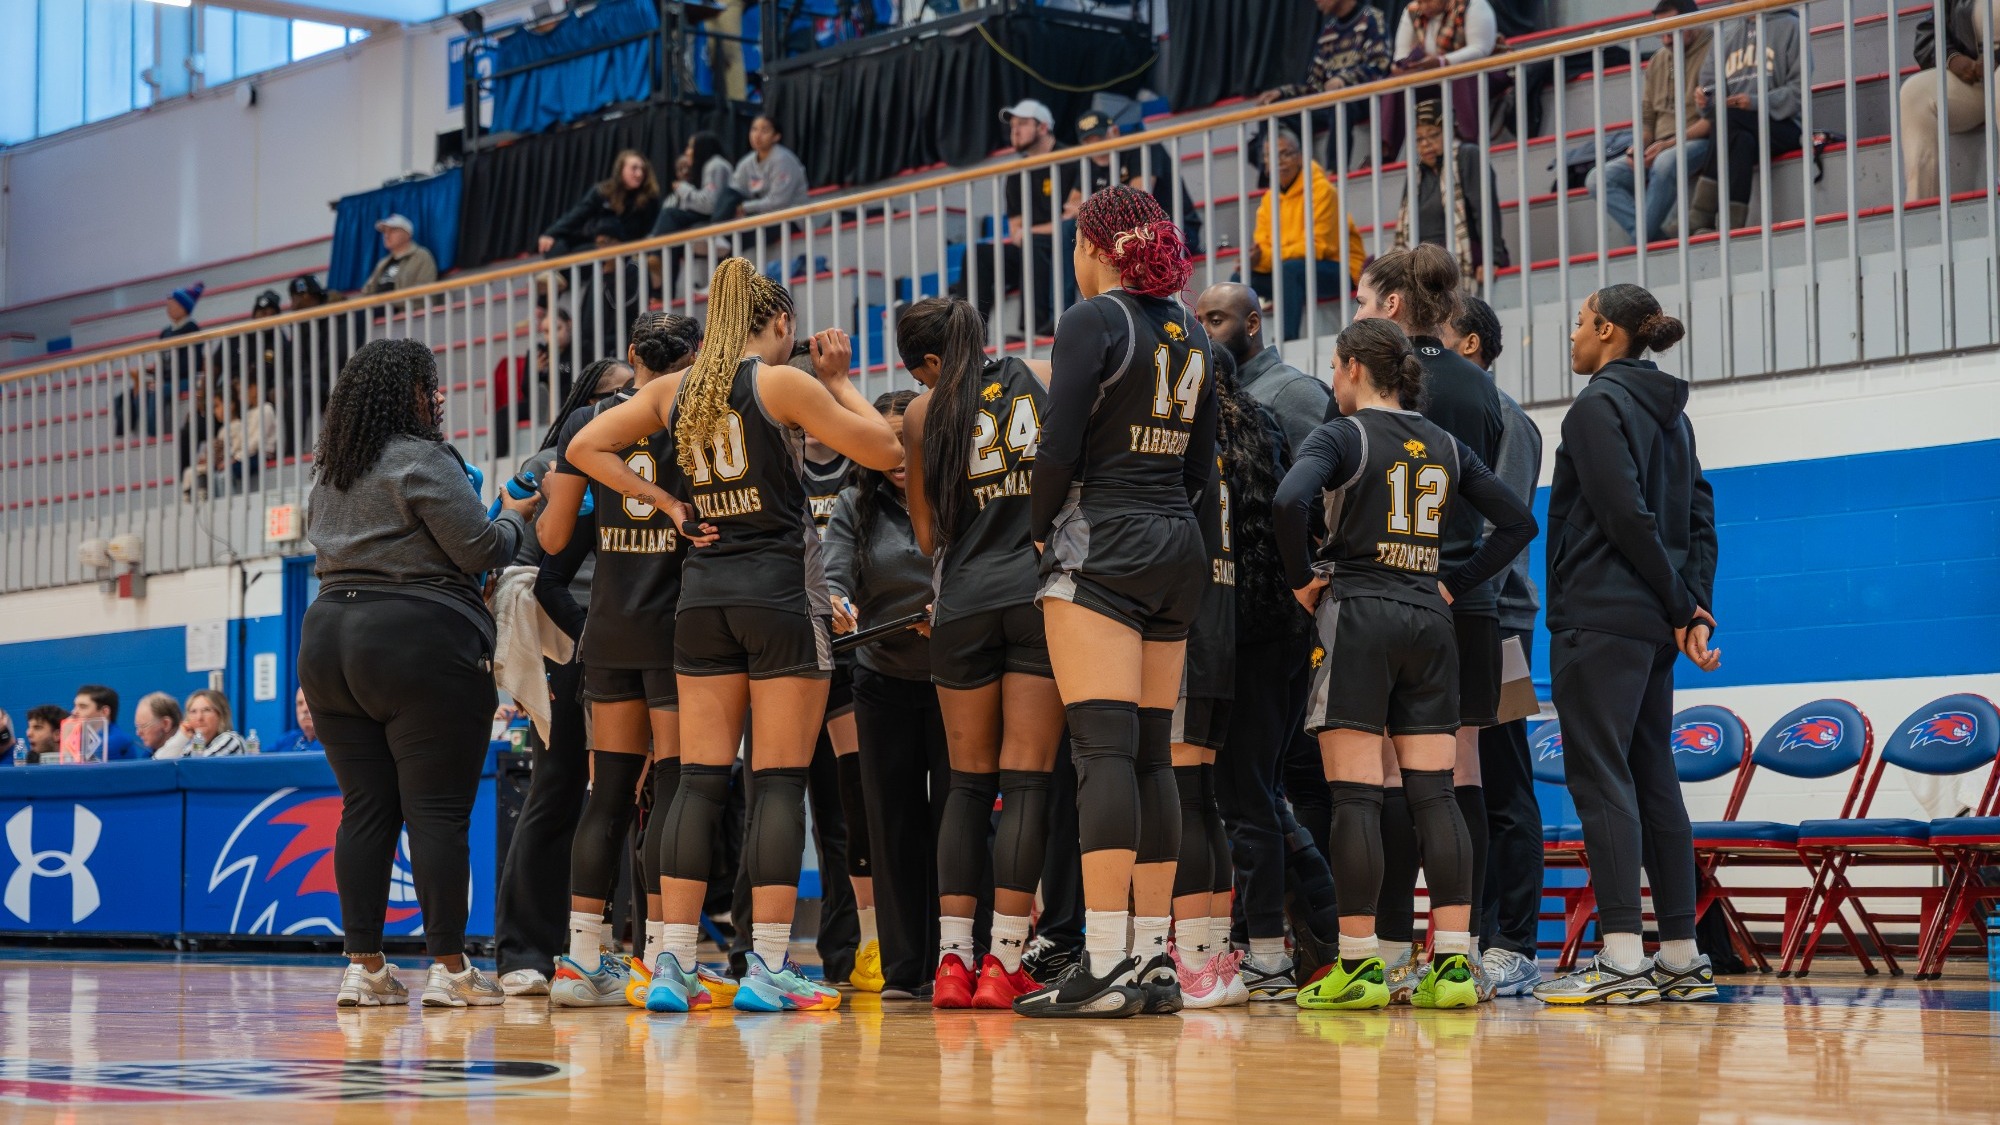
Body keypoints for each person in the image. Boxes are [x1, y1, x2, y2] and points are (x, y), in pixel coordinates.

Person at [565, 257, 901, 1013]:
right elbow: (888, 452)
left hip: (701, 602)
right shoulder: (778, 381)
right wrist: (843, 383)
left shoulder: (673, 389)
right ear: (779, 323)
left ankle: (671, 966)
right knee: (779, 782)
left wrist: (667, 504)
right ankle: (770, 968)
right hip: (779, 598)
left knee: (699, 783)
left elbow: (584, 449)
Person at [1274, 316, 1534, 1012]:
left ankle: (1359, 966)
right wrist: (1454, 580)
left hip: (1359, 613)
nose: (1332, 381)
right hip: (1431, 617)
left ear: (1355, 367)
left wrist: (1302, 577)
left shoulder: (1342, 434)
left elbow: (1288, 498)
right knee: (1436, 793)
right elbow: (1517, 521)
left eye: (1334, 367)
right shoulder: (1445, 443)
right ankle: (1452, 964)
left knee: (1358, 795)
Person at [1016, 185, 1215, 1019]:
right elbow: (1202, 466)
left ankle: (1099, 963)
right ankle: (1150, 958)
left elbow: (1059, 442)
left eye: (1074, 241)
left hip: (1106, 539)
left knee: (1100, 752)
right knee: (1147, 753)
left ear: (1099, 246)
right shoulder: (1194, 328)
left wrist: (1035, 529)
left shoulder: (1092, 319)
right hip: (1179, 543)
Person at [300, 337, 541, 1008]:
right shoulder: (420, 458)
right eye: (428, 385)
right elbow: (481, 547)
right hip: (416, 637)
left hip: (326, 639)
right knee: (437, 811)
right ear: (401, 393)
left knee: (366, 809)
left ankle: (365, 967)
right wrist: (518, 518)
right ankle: (451, 970)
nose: (439, 395)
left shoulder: (330, 468)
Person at [1535, 284, 1721, 1005]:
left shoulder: (1595, 408)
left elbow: (1624, 516)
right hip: (1651, 628)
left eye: (1579, 323)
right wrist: (1694, 608)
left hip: (1599, 618)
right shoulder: (1674, 416)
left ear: (1609, 331)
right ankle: (1679, 952)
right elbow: (1700, 518)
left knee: (1600, 778)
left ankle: (1620, 954)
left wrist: (1682, 604)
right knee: (1652, 775)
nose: (1573, 336)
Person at [1351, 243, 1507, 1002]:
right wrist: (1465, 577)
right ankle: (1460, 949)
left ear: (1389, 306)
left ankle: (1384, 950)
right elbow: (1496, 507)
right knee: (1459, 774)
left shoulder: (1375, 387)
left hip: (1395, 593)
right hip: (1464, 600)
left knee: (1387, 778)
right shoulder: (1480, 385)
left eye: (1359, 299)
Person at [898, 298, 1063, 1009]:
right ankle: (1002, 963)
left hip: (961, 603)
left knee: (965, 785)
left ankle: (951, 963)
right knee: (1025, 782)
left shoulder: (919, 414)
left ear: (929, 363)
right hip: (1032, 595)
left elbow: (928, 537)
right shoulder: (1043, 376)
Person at [822, 389, 950, 1001]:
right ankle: (904, 969)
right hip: (880, 679)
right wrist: (838, 602)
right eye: (889, 440)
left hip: (958, 680)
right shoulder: (854, 503)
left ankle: (960, 954)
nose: (900, 453)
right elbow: (833, 572)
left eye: (911, 440)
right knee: (891, 821)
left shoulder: (957, 494)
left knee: (956, 818)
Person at [1439, 295, 1543, 998]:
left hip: (1495, 617)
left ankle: (1516, 943)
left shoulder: (1511, 418)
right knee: (1459, 782)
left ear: (1470, 343)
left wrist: (1463, 592)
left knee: (1504, 784)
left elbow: (1504, 526)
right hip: (1455, 617)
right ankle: (1468, 939)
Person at [1586, 1, 1713, 245]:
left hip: (1698, 140)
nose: (1665, 39)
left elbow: (1711, 122)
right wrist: (1639, 148)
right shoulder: (1658, 61)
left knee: (1664, 163)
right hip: (1659, 146)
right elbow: (1648, 122)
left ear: (1692, 22)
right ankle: (1655, 239)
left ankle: (1640, 244)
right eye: (1660, 32)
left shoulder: (1713, 49)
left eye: (1671, 30)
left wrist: (1665, 146)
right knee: (1598, 179)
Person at [950, 99, 1066, 339]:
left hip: (1068, 245)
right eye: (1013, 125)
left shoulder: (1071, 159)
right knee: (978, 255)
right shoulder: (1017, 175)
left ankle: (1038, 328)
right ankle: (970, 336)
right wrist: (1031, 233)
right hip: (1030, 248)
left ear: (1043, 127)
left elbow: (1075, 219)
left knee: (1033, 243)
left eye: (1023, 123)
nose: (1015, 130)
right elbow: (1016, 230)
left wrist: (1032, 232)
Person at [1247, 129, 1367, 342]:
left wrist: (1268, 257)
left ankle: (1287, 342)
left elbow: (1319, 247)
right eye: (1271, 156)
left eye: (1285, 153)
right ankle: (1243, 345)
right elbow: (1263, 246)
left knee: (1290, 270)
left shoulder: (1322, 190)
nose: (1279, 161)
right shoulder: (1268, 200)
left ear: (1300, 156)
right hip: (1289, 270)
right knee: (1241, 280)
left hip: (1338, 268)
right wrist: (1257, 260)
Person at [1691, 12, 1806, 233]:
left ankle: (1701, 212)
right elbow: (1710, 92)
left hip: (1784, 126)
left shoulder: (1791, 26)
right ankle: (1734, 227)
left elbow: (1798, 93)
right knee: (1741, 139)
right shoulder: (1725, 34)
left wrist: (1754, 102)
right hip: (1735, 127)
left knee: (1729, 119)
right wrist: (1705, 100)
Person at [1393, 101, 1510, 286]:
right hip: (1422, 254)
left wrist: (1491, 258)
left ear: (1450, 131)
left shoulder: (1467, 155)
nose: (1426, 144)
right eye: (1419, 139)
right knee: (1376, 267)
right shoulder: (1415, 173)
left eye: (1433, 135)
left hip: (1462, 248)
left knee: (1431, 265)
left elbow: (1485, 209)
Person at [1379, 0, 1502, 163]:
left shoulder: (1473, 5)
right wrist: (1404, 67)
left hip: (1482, 74)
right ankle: (1385, 150)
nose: (1424, 6)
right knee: (1395, 82)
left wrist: (1443, 62)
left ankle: (1468, 142)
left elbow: (1480, 49)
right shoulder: (1412, 11)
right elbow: (1401, 54)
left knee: (1458, 73)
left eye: (1428, 1)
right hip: (1433, 76)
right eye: (1420, 2)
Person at [1900, 1, 2000, 201]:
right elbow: (1928, 34)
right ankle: (1922, 212)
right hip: (1978, 81)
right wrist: (1952, 59)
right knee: (1914, 94)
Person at [1257, 0, 1392, 107]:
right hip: (1331, 104)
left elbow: (1380, 66)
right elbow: (1315, 86)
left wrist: (1343, 80)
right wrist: (1282, 92)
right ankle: (1278, 142)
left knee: (1341, 105)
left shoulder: (1371, 18)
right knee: (1271, 111)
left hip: (1361, 101)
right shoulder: (1329, 31)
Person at [710, 116, 811, 256]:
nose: (757, 135)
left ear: (776, 137)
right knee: (730, 194)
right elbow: (734, 190)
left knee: (737, 238)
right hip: (761, 216)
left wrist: (745, 207)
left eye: (764, 130)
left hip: (788, 219)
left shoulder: (783, 159)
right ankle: (715, 231)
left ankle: (720, 243)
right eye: (754, 129)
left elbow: (779, 202)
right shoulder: (747, 162)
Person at [538, 150, 664, 257]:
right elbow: (577, 215)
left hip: (629, 251)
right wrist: (550, 233)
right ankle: (559, 277)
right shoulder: (603, 191)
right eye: (634, 168)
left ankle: (560, 277)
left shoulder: (649, 198)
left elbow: (653, 232)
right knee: (554, 246)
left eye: (642, 169)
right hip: (599, 244)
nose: (639, 174)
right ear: (620, 170)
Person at [124, 282, 206, 440]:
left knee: (158, 391)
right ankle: (143, 428)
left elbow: (191, 364)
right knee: (141, 391)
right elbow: (162, 361)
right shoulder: (165, 332)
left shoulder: (192, 329)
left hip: (185, 379)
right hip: (167, 380)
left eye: (173, 304)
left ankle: (154, 434)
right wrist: (156, 376)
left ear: (183, 307)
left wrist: (164, 380)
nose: (169, 307)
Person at [651, 132, 737, 238]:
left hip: (720, 220)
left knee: (670, 214)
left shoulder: (715, 165)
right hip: (714, 218)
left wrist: (684, 189)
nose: (687, 152)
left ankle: (653, 253)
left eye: (691, 147)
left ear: (702, 147)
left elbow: (710, 204)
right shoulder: (709, 166)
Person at [153, 690, 248, 759]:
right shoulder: (192, 748)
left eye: (206, 710)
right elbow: (157, 765)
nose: (199, 718)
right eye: (193, 712)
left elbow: (201, 769)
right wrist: (181, 737)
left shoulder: (231, 740)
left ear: (220, 715)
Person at [361, 215, 440, 295]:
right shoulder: (383, 263)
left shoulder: (422, 257)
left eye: (392, 230)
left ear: (407, 234)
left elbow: (424, 294)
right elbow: (366, 292)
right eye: (385, 231)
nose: (387, 235)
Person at [71, 685, 141, 761]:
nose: (74, 712)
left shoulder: (113, 742)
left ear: (105, 712)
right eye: (75, 706)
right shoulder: (82, 738)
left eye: (83, 707)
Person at [272, 688, 325, 755]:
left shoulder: (333, 743)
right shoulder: (288, 739)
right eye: (300, 704)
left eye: (310, 702)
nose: (304, 709)